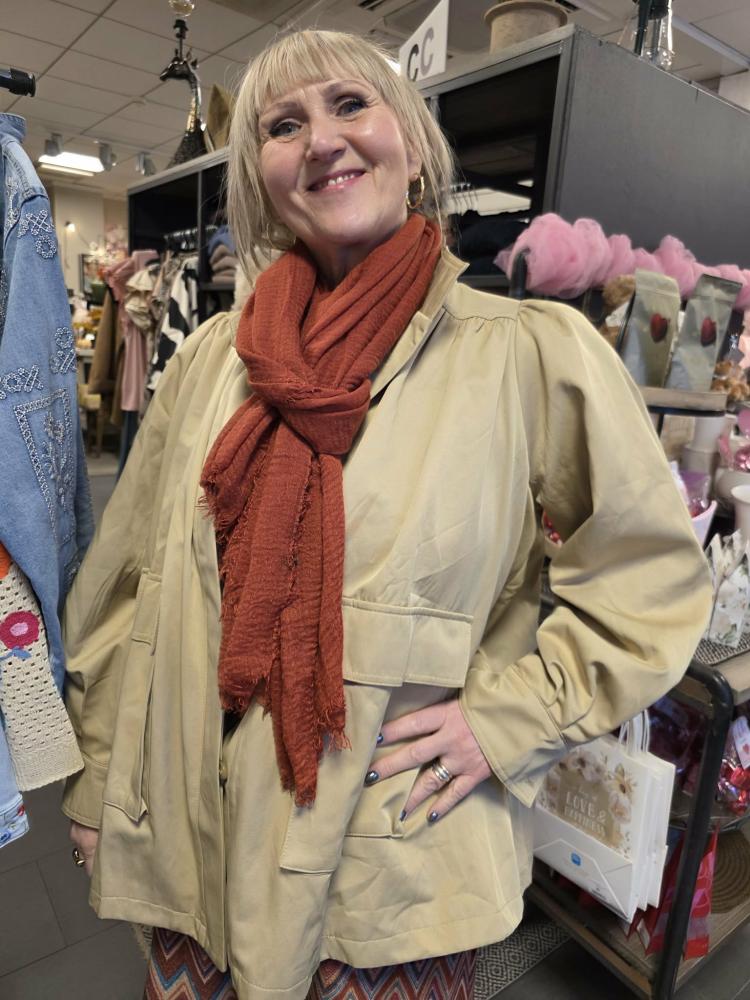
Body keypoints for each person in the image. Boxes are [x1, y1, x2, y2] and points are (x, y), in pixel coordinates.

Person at [64, 29, 712, 1000]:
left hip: (383, 881)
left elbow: (648, 579)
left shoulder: (526, 353)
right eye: (283, 125)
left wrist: (509, 719)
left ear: (411, 144)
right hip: (192, 854)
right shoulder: (208, 363)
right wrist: (98, 779)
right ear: (260, 178)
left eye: (350, 105)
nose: (321, 139)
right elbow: (126, 592)